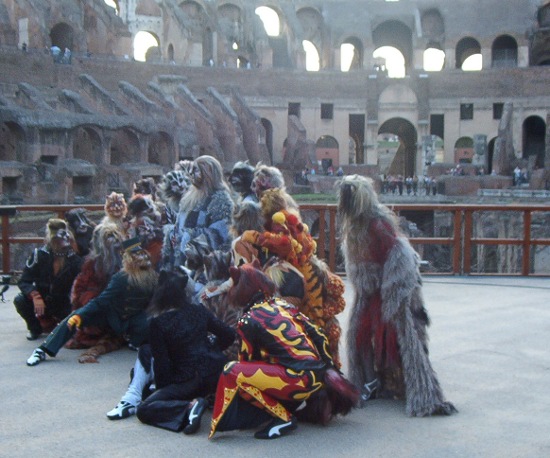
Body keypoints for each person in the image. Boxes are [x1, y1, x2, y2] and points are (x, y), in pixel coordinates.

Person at [337, 175, 457, 416]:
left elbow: (399, 253)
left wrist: (393, 290)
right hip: (370, 291)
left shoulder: (377, 225)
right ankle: (371, 381)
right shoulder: (357, 225)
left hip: (391, 290)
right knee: (361, 336)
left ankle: (419, 391)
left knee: (402, 338)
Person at [209, 261, 358, 440]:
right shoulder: (284, 306)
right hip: (316, 379)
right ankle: (288, 407)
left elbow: (245, 362)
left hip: (295, 381)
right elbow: (319, 334)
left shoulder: (248, 319)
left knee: (232, 371)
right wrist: (328, 368)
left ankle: (283, 417)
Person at [131, 267, 235, 433]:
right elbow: (229, 335)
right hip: (215, 372)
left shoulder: (159, 323)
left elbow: (162, 365)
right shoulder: (199, 311)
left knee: (144, 409)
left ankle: (189, 407)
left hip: (188, 380)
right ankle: (195, 405)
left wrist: (164, 393)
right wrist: (212, 348)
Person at [26, 237, 158, 366]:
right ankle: (43, 349)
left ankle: (135, 341)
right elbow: (101, 301)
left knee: (151, 323)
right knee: (75, 316)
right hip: (112, 316)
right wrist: (80, 315)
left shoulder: (153, 277)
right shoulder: (121, 277)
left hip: (134, 320)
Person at [63, 223, 125, 363]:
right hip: (97, 306)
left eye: (115, 236)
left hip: (118, 310)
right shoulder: (92, 263)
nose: (112, 241)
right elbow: (79, 289)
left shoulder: (126, 258)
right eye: (108, 237)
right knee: (83, 308)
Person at [14, 219, 83, 341]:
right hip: (43, 298)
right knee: (20, 300)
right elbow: (24, 280)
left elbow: (81, 283)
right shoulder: (39, 255)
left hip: (63, 302)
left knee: (72, 330)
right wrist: (35, 296)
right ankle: (35, 328)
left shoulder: (74, 259)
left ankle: (59, 324)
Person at [164, 155, 234, 272]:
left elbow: (220, 235)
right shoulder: (189, 197)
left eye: (196, 170)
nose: (191, 173)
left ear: (207, 173)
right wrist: (173, 235)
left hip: (204, 267)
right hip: (181, 260)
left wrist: (189, 239)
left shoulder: (221, 200)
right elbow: (180, 223)